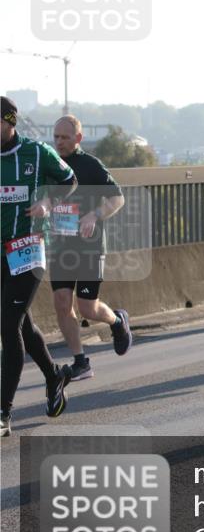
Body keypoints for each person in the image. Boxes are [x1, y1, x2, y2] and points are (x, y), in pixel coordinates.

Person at [1, 96, 77, 436]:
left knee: (7, 323)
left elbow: (69, 180)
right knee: (22, 326)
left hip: (28, 249)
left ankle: (3, 414)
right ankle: (54, 376)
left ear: (9, 121)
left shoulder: (35, 152)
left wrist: (48, 200)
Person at [48, 115, 132, 381]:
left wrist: (94, 214)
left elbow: (117, 198)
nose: (59, 142)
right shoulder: (49, 163)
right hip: (61, 246)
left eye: (65, 137)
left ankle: (117, 322)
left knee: (87, 308)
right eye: (56, 137)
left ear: (78, 139)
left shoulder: (90, 165)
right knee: (62, 302)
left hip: (89, 248)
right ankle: (80, 361)